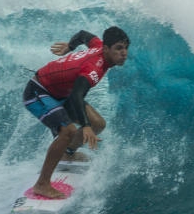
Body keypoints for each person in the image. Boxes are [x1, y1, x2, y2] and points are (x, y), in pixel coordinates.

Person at [23, 27, 130, 198]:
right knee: (69, 131)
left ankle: (67, 153)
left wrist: (69, 47)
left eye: (125, 48)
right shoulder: (94, 69)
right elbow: (76, 96)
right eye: (118, 48)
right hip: (38, 92)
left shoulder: (98, 45)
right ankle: (42, 184)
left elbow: (82, 35)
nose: (124, 53)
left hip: (60, 93)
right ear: (106, 49)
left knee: (98, 124)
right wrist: (85, 126)